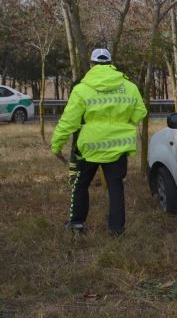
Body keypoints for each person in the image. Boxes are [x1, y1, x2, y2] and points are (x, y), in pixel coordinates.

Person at [51, 48, 147, 235]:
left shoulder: (82, 88)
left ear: (92, 64)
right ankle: (117, 229)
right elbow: (140, 112)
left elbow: (69, 121)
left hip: (89, 147)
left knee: (80, 184)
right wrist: (122, 122)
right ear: (111, 63)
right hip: (118, 147)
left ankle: (77, 224)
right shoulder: (130, 86)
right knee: (116, 187)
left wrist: (57, 145)